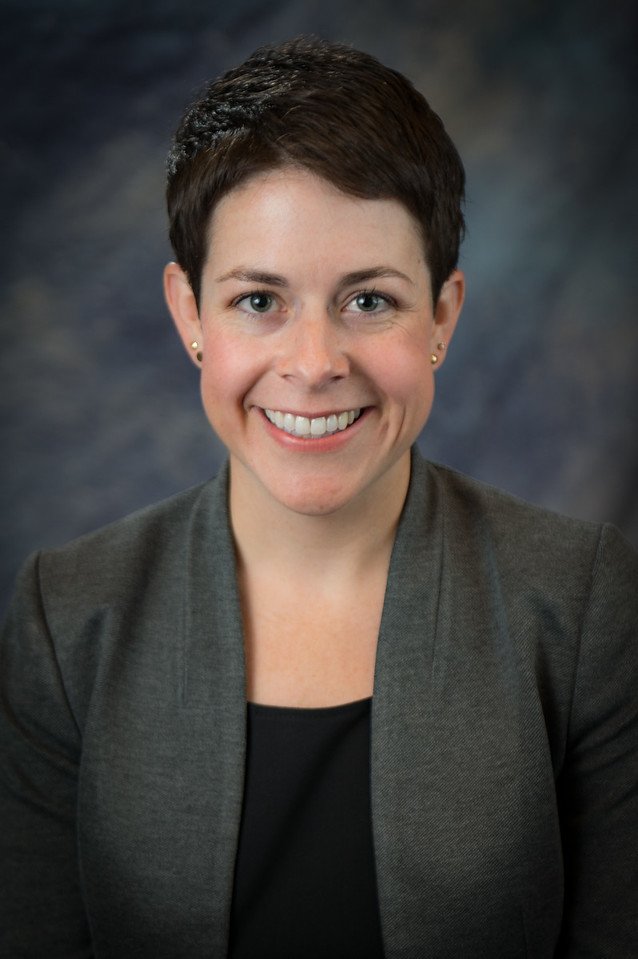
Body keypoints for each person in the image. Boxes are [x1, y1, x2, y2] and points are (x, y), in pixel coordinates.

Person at [1, 36, 636, 959]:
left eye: (369, 301)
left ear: (444, 317)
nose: (313, 364)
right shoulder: (65, 618)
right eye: (259, 300)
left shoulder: (584, 604)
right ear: (190, 316)